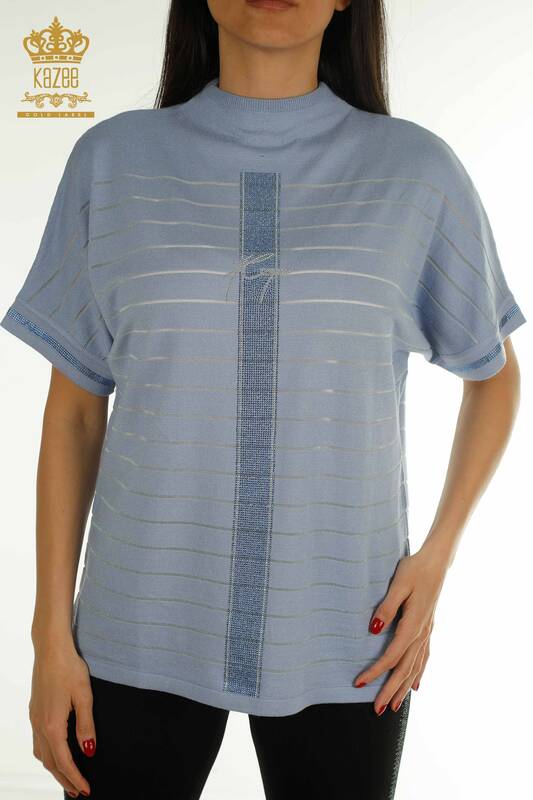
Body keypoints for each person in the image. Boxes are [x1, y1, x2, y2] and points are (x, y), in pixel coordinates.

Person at [1, 1, 527, 798]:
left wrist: (437, 556)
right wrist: (49, 637)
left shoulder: (415, 172)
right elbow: (74, 411)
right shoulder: (112, 162)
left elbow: (493, 374)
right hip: (136, 621)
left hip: (348, 625)